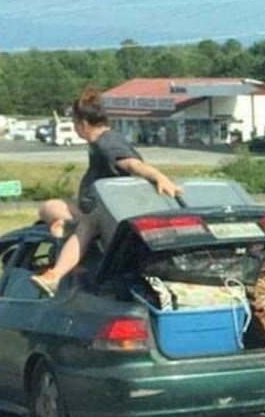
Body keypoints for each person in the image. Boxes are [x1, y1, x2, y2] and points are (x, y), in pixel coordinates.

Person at [32, 87, 182, 296]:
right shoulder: (102, 141)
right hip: (93, 206)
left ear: (84, 124)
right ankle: (71, 225)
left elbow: (132, 164)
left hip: (105, 212)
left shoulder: (106, 143)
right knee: (50, 207)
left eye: (74, 124)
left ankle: (55, 274)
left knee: (86, 224)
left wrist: (159, 177)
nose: (74, 129)